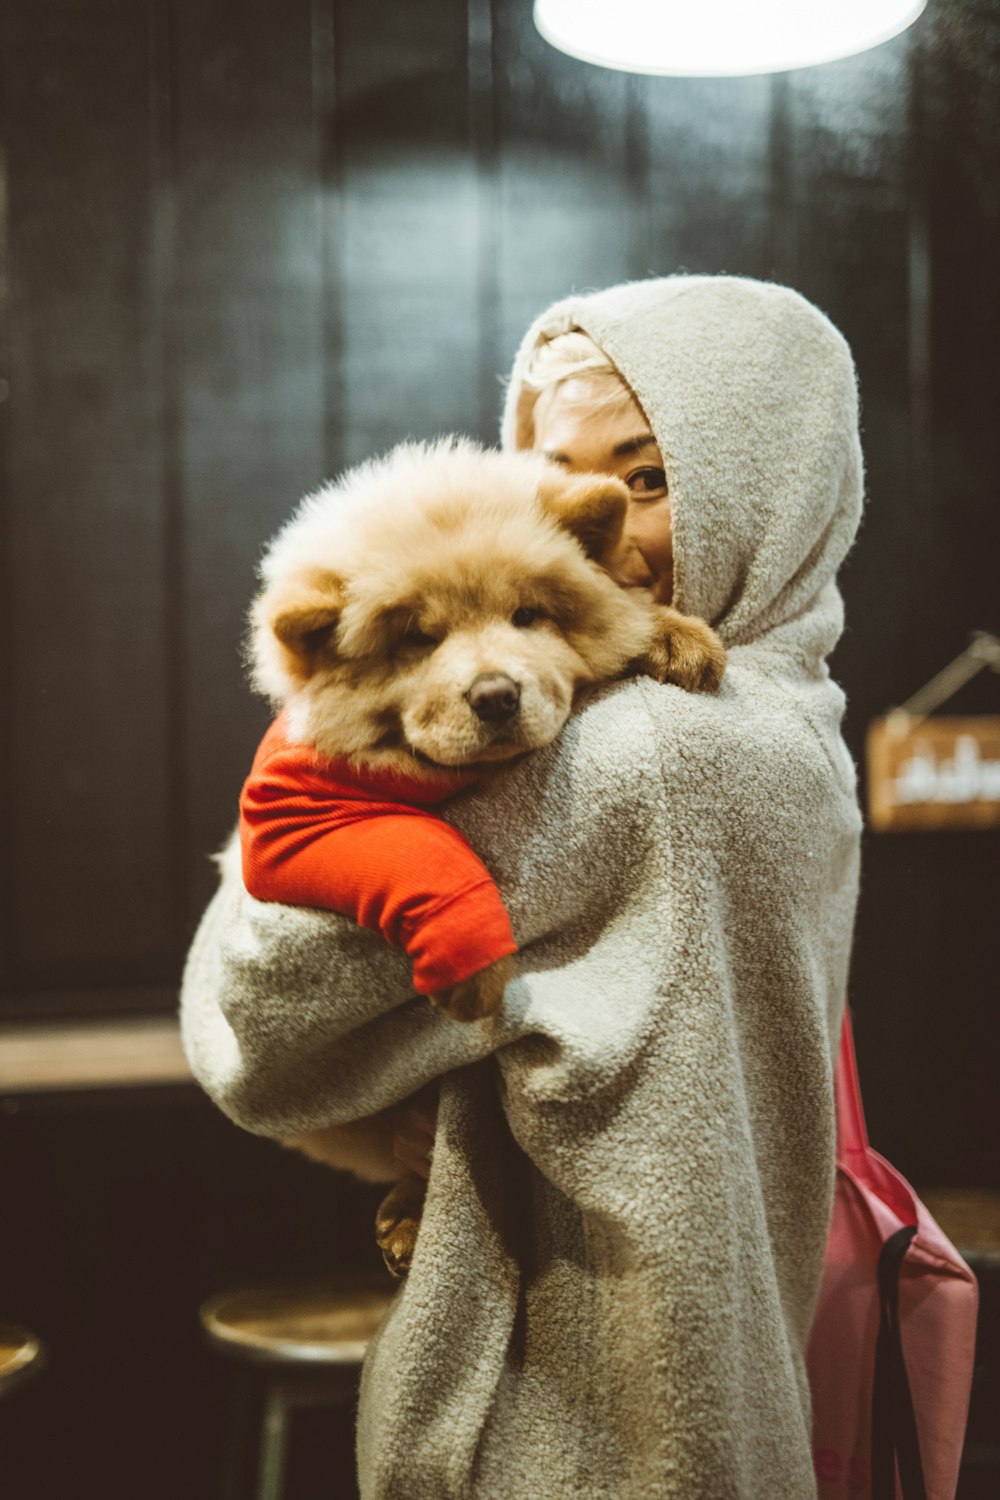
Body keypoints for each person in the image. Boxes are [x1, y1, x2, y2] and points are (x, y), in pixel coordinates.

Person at [181, 275, 864, 1499]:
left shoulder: (651, 750)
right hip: (662, 1358)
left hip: (567, 1392)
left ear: (769, 466)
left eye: (648, 476)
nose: (597, 520)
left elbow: (250, 1019)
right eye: (552, 471)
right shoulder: (795, 712)